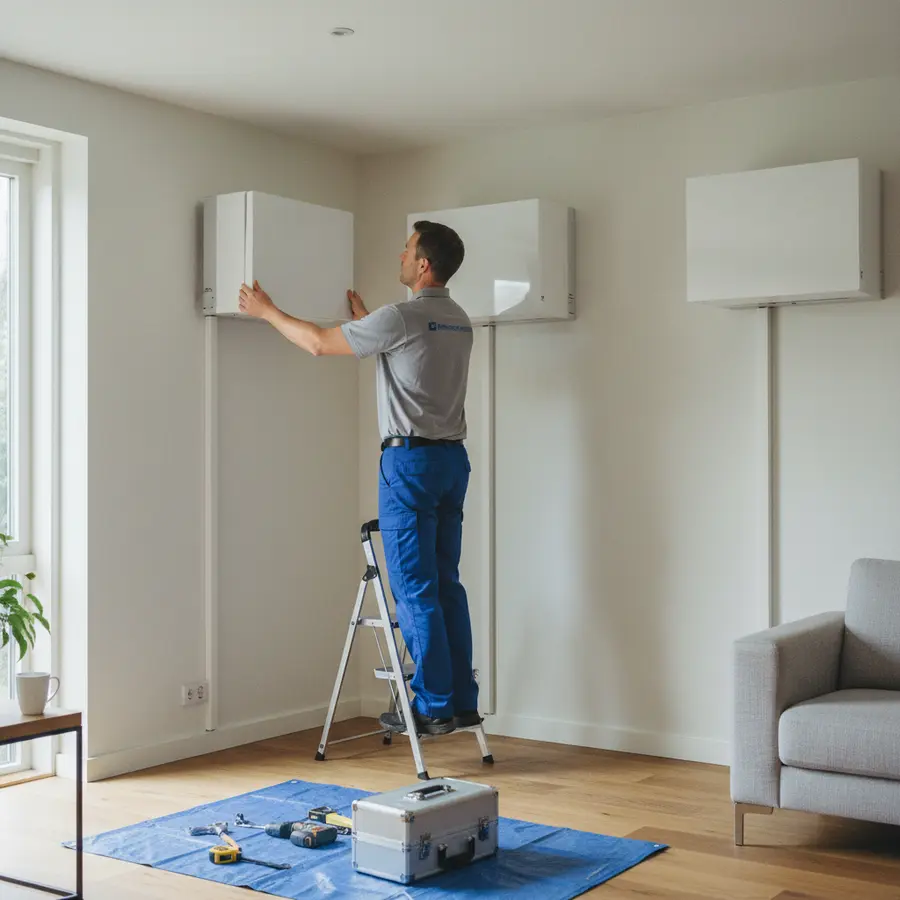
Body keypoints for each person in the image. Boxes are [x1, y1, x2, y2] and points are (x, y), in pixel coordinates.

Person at [237, 220, 479, 736]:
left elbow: (321, 344)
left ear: (423, 265)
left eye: (408, 248)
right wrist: (370, 323)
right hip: (450, 462)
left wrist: (267, 311)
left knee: (414, 589)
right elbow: (412, 355)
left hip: (409, 465)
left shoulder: (404, 317)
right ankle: (460, 700)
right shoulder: (457, 320)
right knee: (446, 584)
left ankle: (432, 705)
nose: (400, 253)